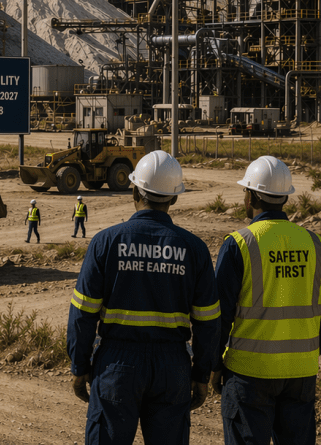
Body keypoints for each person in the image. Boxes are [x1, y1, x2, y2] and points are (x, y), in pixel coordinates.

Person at [68, 150, 219, 445]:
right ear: (174, 198)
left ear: (134, 191)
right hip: (173, 365)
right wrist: (201, 374)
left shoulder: (106, 242)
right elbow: (208, 321)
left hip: (116, 363)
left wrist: (79, 366)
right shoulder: (195, 249)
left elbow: (83, 312)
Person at [211, 156, 321, 445]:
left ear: (253, 195)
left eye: (246, 190)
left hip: (248, 373)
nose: (244, 196)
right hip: (301, 374)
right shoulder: (315, 244)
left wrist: (214, 365)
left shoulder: (240, 243)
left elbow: (220, 314)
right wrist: (307, 352)